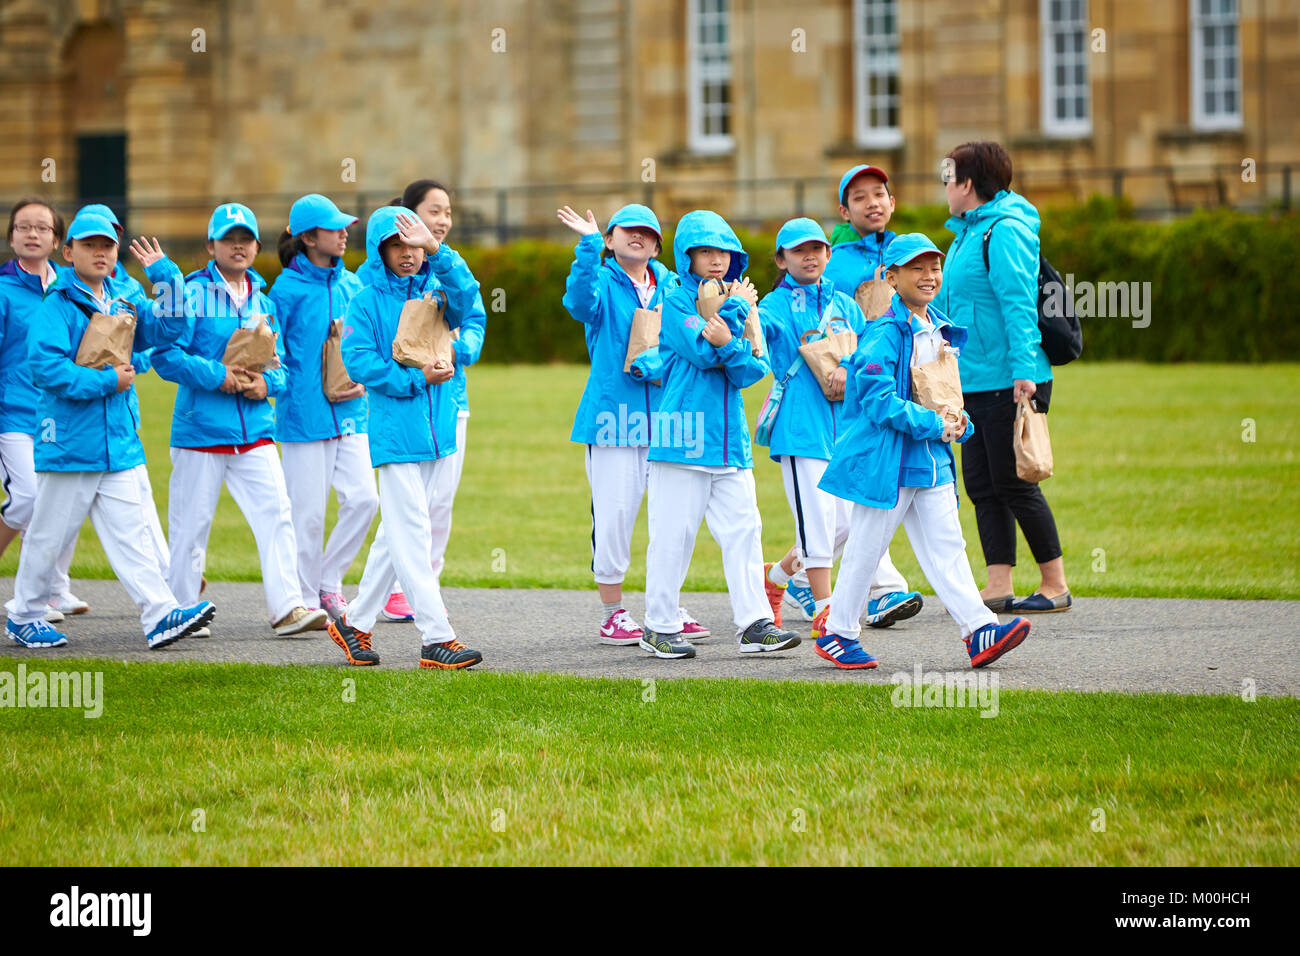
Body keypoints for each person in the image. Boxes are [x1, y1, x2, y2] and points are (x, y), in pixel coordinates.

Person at [817, 233, 1031, 670]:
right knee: (867, 547)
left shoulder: (937, 326)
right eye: (916, 268)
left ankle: (978, 629)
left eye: (934, 266)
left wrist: (959, 421)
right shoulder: (884, 333)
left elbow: (940, 394)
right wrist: (933, 423)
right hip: (889, 462)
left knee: (947, 545)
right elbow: (877, 401)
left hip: (930, 461)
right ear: (891, 278)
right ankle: (837, 633)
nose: (929, 275)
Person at [3, 210, 214, 649]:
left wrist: (167, 277)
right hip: (69, 440)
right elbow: (45, 369)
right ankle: (23, 614)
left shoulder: (126, 292)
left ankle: (160, 614)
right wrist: (107, 381)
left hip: (117, 438)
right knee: (48, 534)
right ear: (69, 252)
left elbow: (171, 328)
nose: (100, 252)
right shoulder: (57, 304)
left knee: (131, 532)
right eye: (89, 245)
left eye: (108, 245)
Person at [150, 203, 327, 636]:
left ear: (256, 246)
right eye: (228, 238)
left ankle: (289, 608)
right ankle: (182, 610)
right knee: (191, 525)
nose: (237, 246)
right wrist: (218, 377)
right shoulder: (188, 295)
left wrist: (268, 387)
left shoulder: (263, 300)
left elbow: (280, 365)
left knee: (277, 513)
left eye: (245, 238)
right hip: (200, 431)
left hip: (256, 431)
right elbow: (165, 356)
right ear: (211, 246)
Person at [327, 206, 483, 669]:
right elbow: (359, 363)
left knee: (397, 532)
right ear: (379, 250)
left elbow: (470, 299)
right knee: (412, 532)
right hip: (394, 432)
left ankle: (353, 623)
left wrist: (440, 250)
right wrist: (418, 381)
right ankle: (437, 638)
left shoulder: (437, 285)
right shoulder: (365, 300)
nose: (408, 254)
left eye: (414, 245)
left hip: (439, 428)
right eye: (396, 245)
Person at [640, 209, 799, 660]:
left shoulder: (737, 302)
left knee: (745, 532)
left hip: (730, 441)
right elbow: (699, 351)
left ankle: (754, 624)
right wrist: (735, 315)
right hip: (680, 437)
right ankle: (659, 625)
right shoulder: (673, 298)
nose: (716, 260)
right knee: (674, 534)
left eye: (725, 252)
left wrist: (727, 337)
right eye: (706, 251)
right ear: (686, 256)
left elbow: (753, 368)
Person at [755, 217, 921, 637]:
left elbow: (870, 349)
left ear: (829, 253)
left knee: (845, 525)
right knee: (817, 521)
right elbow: (756, 339)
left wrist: (850, 367)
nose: (810, 256)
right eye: (798, 250)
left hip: (843, 429)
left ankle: (775, 577)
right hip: (799, 426)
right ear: (782, 259)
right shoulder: (772, 306)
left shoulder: (844, 303)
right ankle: (826, 609)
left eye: (817, 248)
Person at [558, 202, 710, 646]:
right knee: (615, 515)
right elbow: (578, 302)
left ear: (659, 244)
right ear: (611, 239)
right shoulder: (602, 281)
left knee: (675, 518)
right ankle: (613, 612)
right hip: (611, 419)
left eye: (647, 231)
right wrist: (587, 247)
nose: (638, 236)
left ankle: (667, 605)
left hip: (669, 418)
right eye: (628, 230)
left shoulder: (674, 285)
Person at [934, 141, 1070, 613]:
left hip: (1007, 377)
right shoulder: (967, 233)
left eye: (948, 177)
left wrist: (1025, 372)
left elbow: (1017, 305)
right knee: (982, 484)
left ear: (969, 184)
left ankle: (1055, 584)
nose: (945, 186)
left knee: (1015, 482)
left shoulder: (1004, 231)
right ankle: (998, 584)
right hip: (970, 379)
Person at [376, 179, 488, 623]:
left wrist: (454, 350)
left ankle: (425, 585)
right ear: (408, 214)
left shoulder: (448, 268)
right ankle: (399, 590)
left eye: (447, 212)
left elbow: (474, 326)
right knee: (409, 504)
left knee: (439, 503)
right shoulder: (386, 273)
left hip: (450, 398)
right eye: (433, 211)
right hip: (402, 401)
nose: (442, 220)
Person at [271, 194, 378, 623]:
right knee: (308, 514)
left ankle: (328, 581)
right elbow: (273, 349)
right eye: (334, 228)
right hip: (303, 417)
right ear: (309, 238)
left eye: (344, 226)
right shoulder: (285, 290)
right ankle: (302, 600)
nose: (344, 233)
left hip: (352, 412)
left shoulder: (352, 284)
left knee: (365, 499)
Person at [0, 199, 87, 622]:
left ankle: (52, 589)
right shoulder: (2, 289)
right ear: (12, 236)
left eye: (41, 228)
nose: (32, 234)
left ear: (58, 240)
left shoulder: (71, 288)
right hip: (12, 414)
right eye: (22, 227)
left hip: (61, 414)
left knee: (59, 501)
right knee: (26, 500)